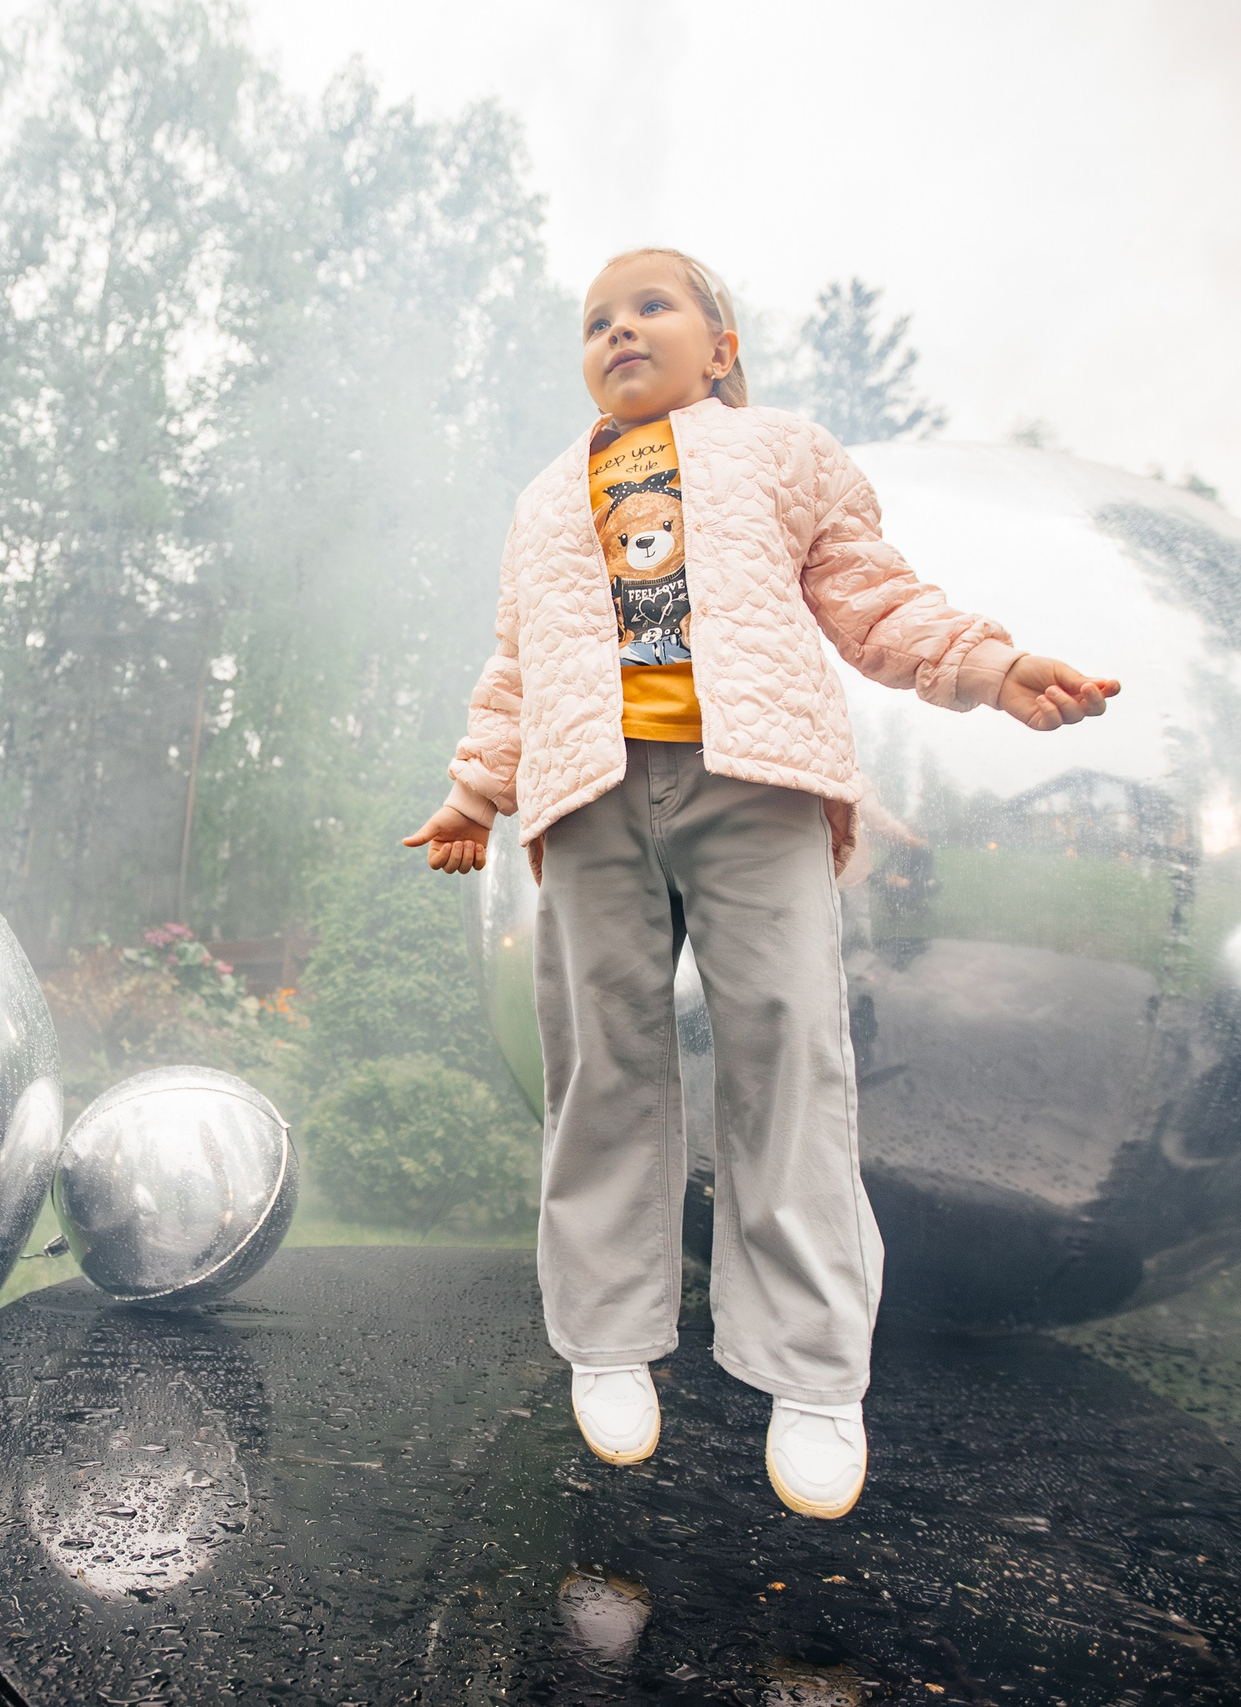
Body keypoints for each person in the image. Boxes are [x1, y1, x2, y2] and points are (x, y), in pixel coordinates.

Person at [402, 250, 1119, 1520]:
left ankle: (810, 1369)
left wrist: (990, 667)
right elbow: (518, 662)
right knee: (603, 1063)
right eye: (595, 322)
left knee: (789, 1049)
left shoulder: (778, 453)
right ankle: (610, 1337)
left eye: (651, 307)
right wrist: (474, 791)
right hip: (589, 792)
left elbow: (868, 594)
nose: (619, 330)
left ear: (720, 347)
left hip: (757, 776)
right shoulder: (541, 499)